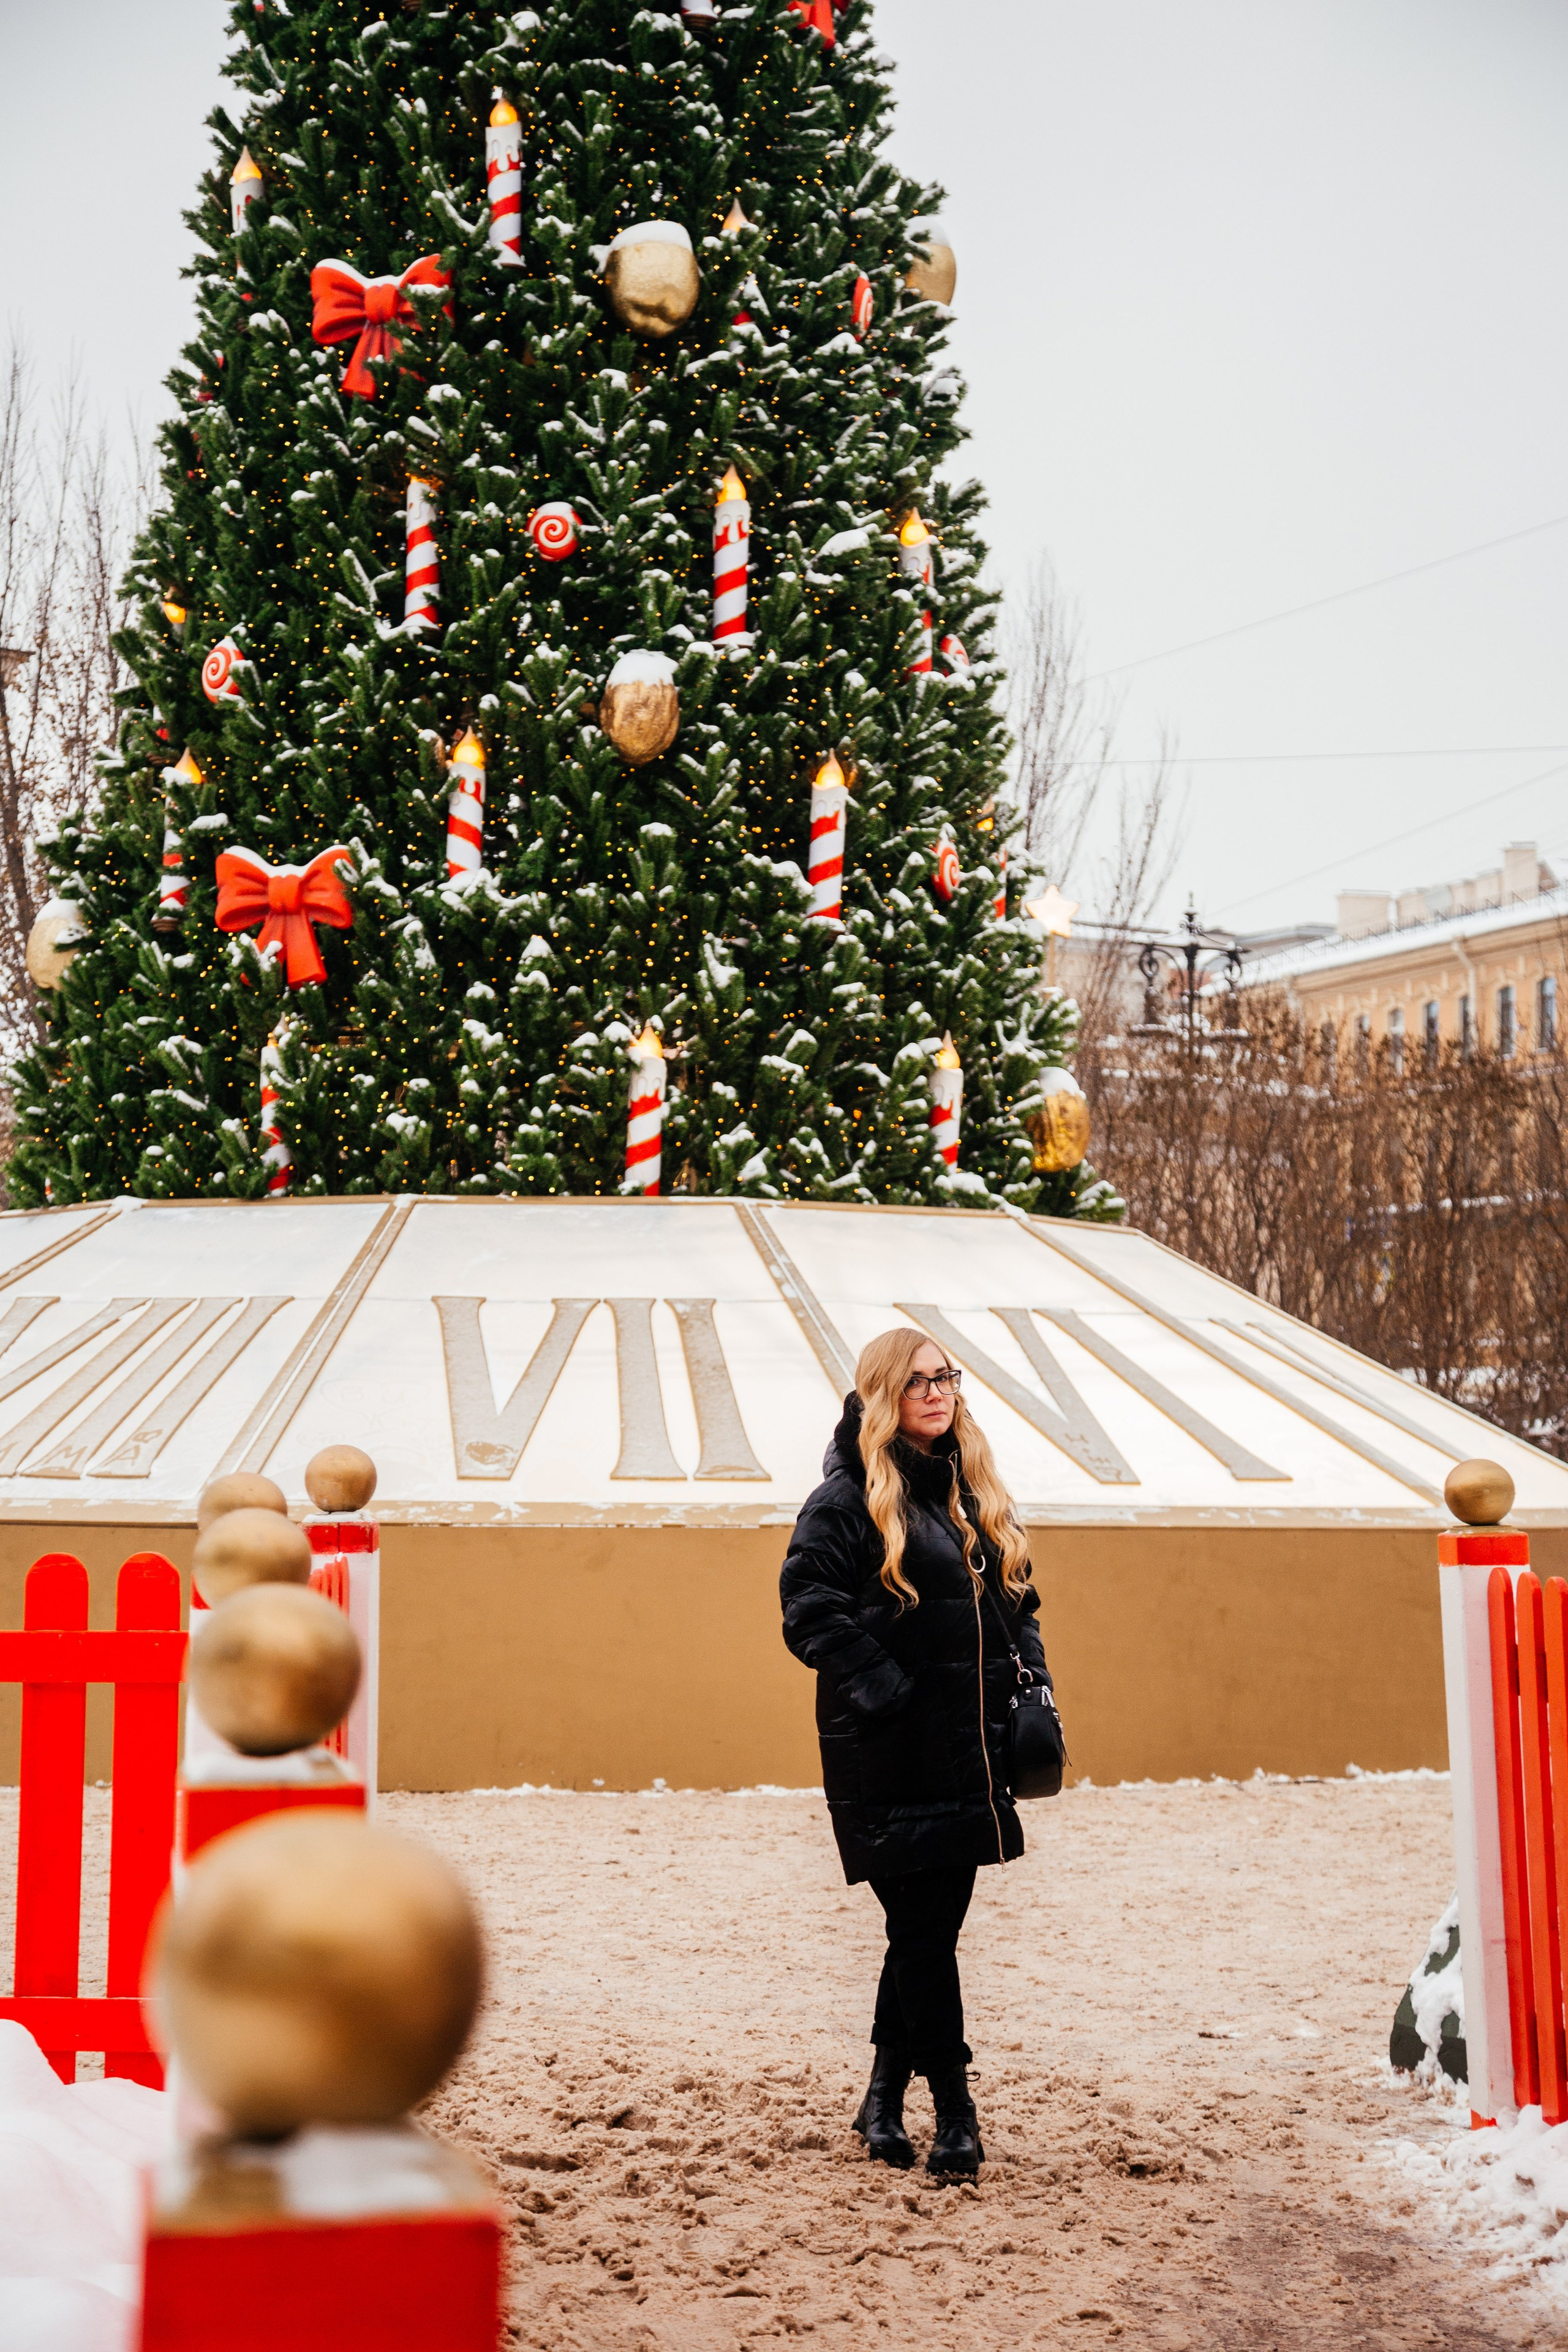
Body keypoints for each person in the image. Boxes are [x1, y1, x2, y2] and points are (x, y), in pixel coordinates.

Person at [778, 1325, 1052, 2179]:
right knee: (925, 1936)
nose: (937, 1392)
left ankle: (883, 2098)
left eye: (947, 1378)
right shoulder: (848, 1499)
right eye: (917, 1381)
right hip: (889, 1759)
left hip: (970, 1756)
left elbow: (1020, 1603)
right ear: (880, 1395)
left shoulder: (970, 1494)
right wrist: (892, 1692)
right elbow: (806, 1607)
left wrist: (1029, 1689)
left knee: (923, 1936)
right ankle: (957, 2115)